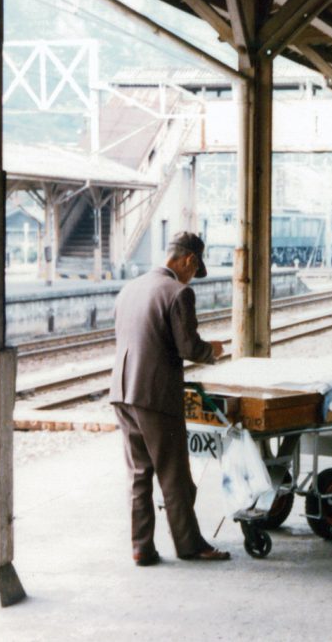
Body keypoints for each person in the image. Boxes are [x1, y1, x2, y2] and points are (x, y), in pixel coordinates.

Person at [109, 231, 229, 566]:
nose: (193, 276)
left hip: (122, 392)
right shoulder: (179, 292)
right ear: (189, 260)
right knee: (174, 475)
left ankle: (141, 547)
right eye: (195, 269)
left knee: (138, 474)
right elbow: (188, 347)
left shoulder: (129, 289)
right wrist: (213, 350)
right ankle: (190, 545)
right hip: (156, 396)